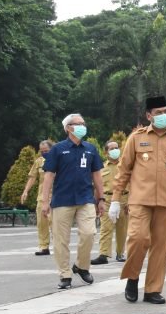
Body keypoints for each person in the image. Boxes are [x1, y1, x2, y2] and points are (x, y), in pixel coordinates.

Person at [109, 95, 166, 305]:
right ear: (149, 115)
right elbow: (123, 170)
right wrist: (115, 199)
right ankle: (132, 276)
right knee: (138, 239)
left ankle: (152, 290)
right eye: (158, 113)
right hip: (140, 199)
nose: (164, 115)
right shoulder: (136, 138)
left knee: (160, 247)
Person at [38, 114, 104, 290]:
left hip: (85, 199)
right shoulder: (58, 149)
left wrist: (101, 198)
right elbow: (49, 176)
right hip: (62, 200)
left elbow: (97, 175)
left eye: (84, 123)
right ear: (68, 128)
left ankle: (82, 266)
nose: (83, 126)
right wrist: (45, 202)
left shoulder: (90, 149)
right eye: (78, 124)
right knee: (61, 240)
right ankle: (65, 274)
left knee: (89, 233)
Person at [91, 141, 128, 265]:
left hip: (124, 200)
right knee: (106, 228)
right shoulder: (101, 168)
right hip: (107, 200)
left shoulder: (126, 166)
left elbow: (134, 183)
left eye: (116, 148)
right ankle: (103, 254)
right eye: (111, 148)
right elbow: (97, 186)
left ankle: (120, 253)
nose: (115, 150)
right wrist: (96, 203)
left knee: (122, 228)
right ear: (106, 152)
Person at [20, 140, 53, 256]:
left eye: (46, 151)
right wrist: (25, 191)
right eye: (42, 151)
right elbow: (32, 177)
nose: (44, 153)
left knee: (55, 223)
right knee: (41, 223)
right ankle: (44, 247)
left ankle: (60, 246)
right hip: (42, 196)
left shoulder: (59, 160)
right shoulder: (39, 162)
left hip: (56, 196)